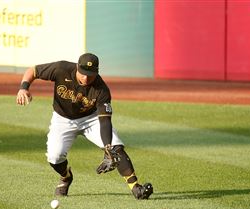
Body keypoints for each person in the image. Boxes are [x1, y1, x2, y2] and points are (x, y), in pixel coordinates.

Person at [16, 53, 153, 200]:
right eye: (83, 73)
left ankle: (136, 188)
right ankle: (66, 177)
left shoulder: (101, 90)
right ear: (76, 67)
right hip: (62, 119)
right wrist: (24, 88)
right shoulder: (61, 69)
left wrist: (108, 147)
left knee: (116, 148)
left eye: (90, 74)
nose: (86, 78)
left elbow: (105, 121)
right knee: (54, 157)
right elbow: (33, 71)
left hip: (91, 119)